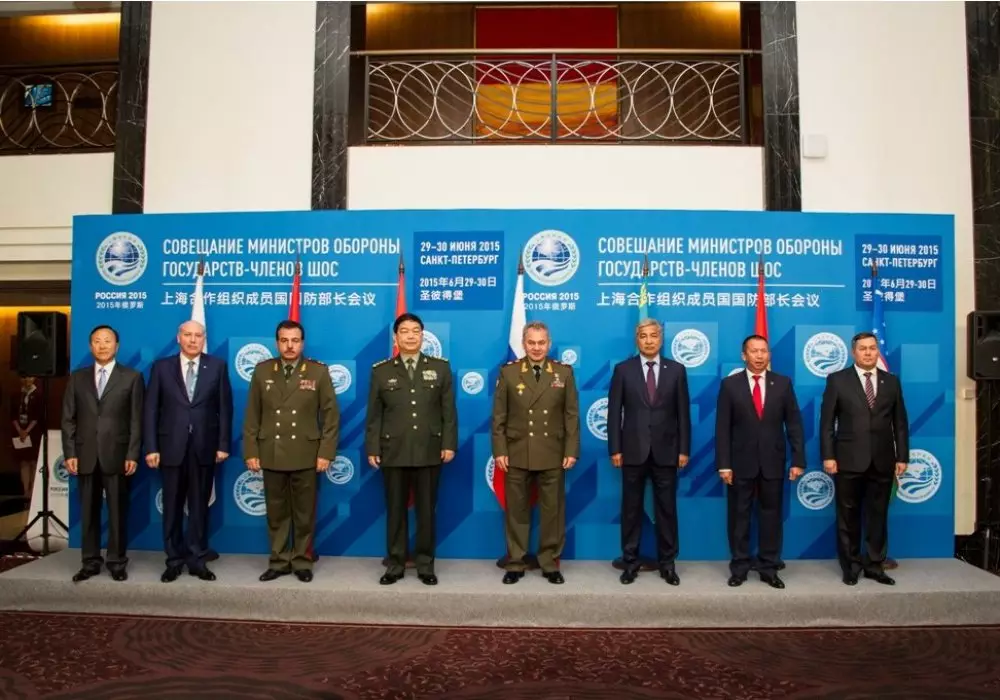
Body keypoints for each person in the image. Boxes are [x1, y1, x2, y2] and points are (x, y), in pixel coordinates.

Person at [243, 320, 339, 583]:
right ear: (277, 343)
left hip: (306, 453)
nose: (289, 346)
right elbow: (252, 415)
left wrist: (326, 452)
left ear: (302, 343)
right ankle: (278, 561)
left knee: (304, 514)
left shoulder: (318, 372)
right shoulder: (263, 371)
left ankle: (301, 561)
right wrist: (251, 450)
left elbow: (331, 416)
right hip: (271, 451)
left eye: (295, 340)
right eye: (284, 340)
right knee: (276, 513)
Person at [366, 312, 457, 586]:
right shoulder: (381, 370)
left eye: (416, 331)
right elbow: (374, 415)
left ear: (422, 336)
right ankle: (395, 565)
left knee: (426, 512)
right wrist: (373, 447)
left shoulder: (440, 368)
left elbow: (448, 412)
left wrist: (448, 444)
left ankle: (425, 565)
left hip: (429, 449)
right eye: (404, 331)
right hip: (393, 450)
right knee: (395, 511)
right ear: (396, 337)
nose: (410, 336)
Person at [144, 320, 233, 583]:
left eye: (198, 335)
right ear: (178, 338)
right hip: (170, 447)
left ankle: (196, 559)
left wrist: (223, 444)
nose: (193, 340)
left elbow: (225, 408)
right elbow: (150, 409)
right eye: (188, 335)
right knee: (171, 508)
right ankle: (173, 560)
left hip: (205, 447)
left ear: (204, 338)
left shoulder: (217, 366)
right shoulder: (162, 367)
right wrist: (151, 447)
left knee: (199, 508)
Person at [492, 321, 579, 585]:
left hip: (552, 452)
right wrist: (500, 450)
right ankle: (516, 562)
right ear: (523, 343)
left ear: (549, 344)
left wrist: (571, 450)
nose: (537, 347)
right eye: (531, 342)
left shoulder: (563, 373)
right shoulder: (509, 372)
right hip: (517, 451)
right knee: (516, 511)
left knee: (553, 512)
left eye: (542, 343)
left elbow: (571, 416)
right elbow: (499, 417)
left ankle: (549, 563)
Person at [715, 335, 805, 589]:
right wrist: (724, 464)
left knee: (771, 518)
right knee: (738, 518)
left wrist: (798, 459)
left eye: (763, 351)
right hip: (739, 463)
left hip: (773, 462)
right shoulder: (730, 385)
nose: (759, 356)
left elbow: (794, 424)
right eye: (753, 351)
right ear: (744, 355)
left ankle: (769, 567)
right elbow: (722, 428)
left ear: (769, 355)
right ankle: (739, 567)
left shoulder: (783, 383)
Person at [820, 331, 909, 586]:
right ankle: (850, 566)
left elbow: (900, 423)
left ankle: (874, 566)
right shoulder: (837, 380)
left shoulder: (891, 381)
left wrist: (902, 456)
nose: (868, 353)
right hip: (848, 459)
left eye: (872, 348)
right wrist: (828, 455)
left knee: (878, 516)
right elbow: (827, 422)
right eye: (863, 348)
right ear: (853, 352)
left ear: (877, 351)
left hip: (883, 460)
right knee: (848, 517)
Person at [608, 318, 690, 586]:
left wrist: (684, 449)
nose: (649, 341)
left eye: (653, 335)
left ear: (661, 339)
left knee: (666, 509)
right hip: (632, 450)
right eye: (643, 336)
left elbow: (683, 414)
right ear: (637, 340)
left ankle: (668, 564)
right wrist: (615, 448)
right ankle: (630, 562)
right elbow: (614, 413)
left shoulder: (676, 370)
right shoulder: (623, 370)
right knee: (631, 510)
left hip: (667, 451)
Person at [60, 325, 144, 582]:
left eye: (107, 341)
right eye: (97, 341)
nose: (102, 345)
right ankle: (90, 562)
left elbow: (136, 420)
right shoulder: (77, 377)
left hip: (118, 454)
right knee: (88, 512)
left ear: (116, 346)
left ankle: (117, 562)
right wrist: (70, 452)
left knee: (117, 512)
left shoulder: (132, 377)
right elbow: (68, 418)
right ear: (90, 346)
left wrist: (132, 454)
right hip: (84, 454)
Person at [11, 375, 43, 501]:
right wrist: (20, 430)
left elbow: (38, 416)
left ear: (34, 379)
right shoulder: (16, 395)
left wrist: (27, 431)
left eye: (30, 377)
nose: (27, 380)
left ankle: (33, 490)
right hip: (19, 432)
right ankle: (26, 491)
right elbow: (13, 415)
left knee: (34, 462)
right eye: (24, 378)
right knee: (24, 462)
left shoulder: (38, 395)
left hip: (33, 432)